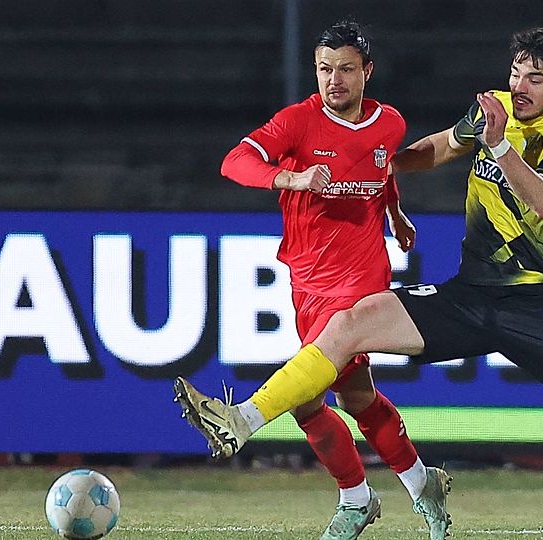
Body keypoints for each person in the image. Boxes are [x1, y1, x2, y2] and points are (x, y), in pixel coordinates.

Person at [177, 26, 543, 540]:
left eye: (535, 79)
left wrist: (497, 145)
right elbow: (438, 149)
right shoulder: (490, 106)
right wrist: (380, 169)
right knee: (349, 325)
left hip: (535, 303)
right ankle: (244, 421)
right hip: (470, 294)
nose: (520, 87)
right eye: (517, 74)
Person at [196, 20, 451, 540]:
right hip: (307, 278)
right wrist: (288, 176)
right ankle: (418, 484)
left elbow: (381, 172)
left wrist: (395, 213)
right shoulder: (296, 122)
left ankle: (353, 496)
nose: (334, 80)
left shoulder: (390, 124)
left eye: (346, 69)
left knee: (314, 397)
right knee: (349, 398)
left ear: (367, 72)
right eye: (324, 69)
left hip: (359, 281)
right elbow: (234, 161)